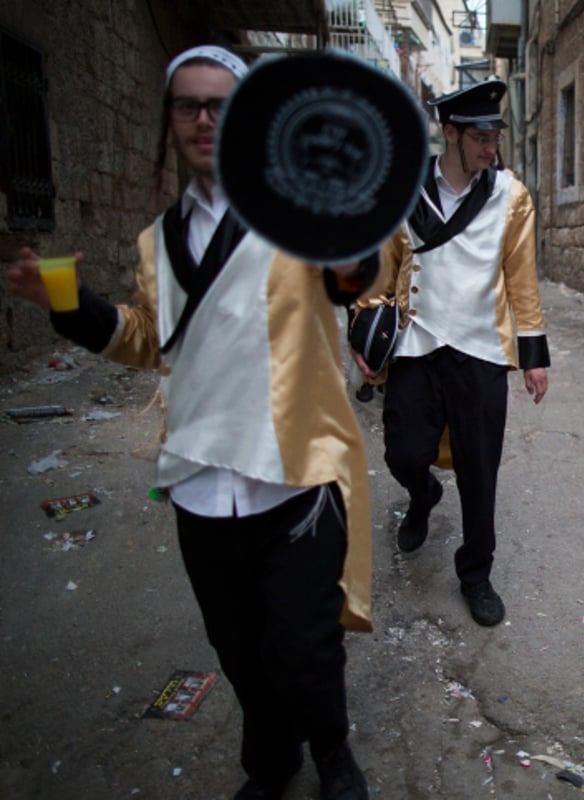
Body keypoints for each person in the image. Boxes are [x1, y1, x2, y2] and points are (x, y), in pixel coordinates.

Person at [7, 46, 376, 800]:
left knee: (305, 646)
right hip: (204, 486)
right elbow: (148, 339)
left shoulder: (295, 209)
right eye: (189, 105)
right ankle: (271, 765)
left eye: (222, 105)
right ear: (170, 120)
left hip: (295, 476)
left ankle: (334, 753)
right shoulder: (155, 244)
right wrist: (66, 304)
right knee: (239, 650)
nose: (206, 119)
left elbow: (354, 276)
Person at [351, 78, 550, 627]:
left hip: (481, 350)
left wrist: (533, 355)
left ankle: (476, 574)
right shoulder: (403, 193)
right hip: (417, 346)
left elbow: (522, 278)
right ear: (450, 133)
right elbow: (379, 269)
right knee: (403, 454)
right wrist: (366, 326)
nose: (491, 147)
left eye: (496, 135)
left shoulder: (511, 197)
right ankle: (421, 497)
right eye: (480, 136)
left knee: (480, 472)